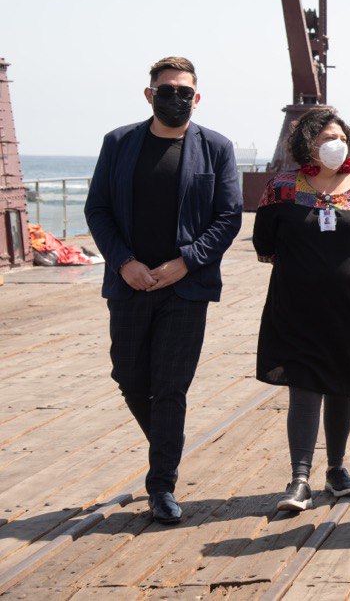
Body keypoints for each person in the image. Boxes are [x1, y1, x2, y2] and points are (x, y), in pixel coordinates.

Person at [85, 56, 243, 525]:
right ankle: (165, 447)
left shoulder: (215, 147)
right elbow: (97, 209)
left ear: (198, 97)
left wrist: (186, 262)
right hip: (130, 283)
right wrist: (125, 262)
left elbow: (229, 216)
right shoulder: (119, 143)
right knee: (130, 377)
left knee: (170, 388)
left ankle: (162, 486)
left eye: (184, 91)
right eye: (166, 90)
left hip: (185, 288)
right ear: (149, 94)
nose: (176, 98)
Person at [253, 107, 350, 512]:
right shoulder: (281, 188)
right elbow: (265, 244)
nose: (336, 145)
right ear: (306, 144)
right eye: (325, 138)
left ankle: (336, 468)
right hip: (296, 305)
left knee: (342, 388)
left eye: (342, 138)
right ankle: (299, 479)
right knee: (304, 387)